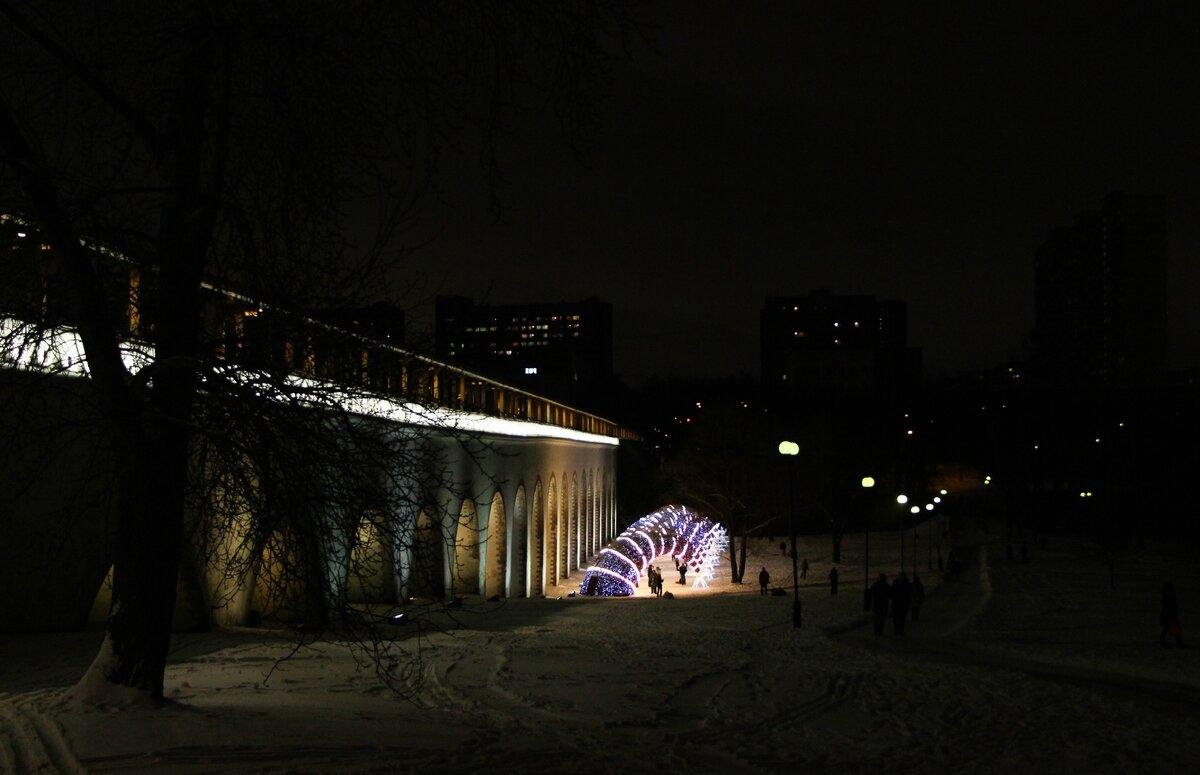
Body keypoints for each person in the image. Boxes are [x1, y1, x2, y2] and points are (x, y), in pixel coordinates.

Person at [1161, 581, 1183, 647]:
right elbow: (1169, 606)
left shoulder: (1167, 596)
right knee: (1171, 627)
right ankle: (1179, 642)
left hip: (1169, 614)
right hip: (1170, 614)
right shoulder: (1168, 596)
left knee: (1169, 627)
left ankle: (1163, 640)